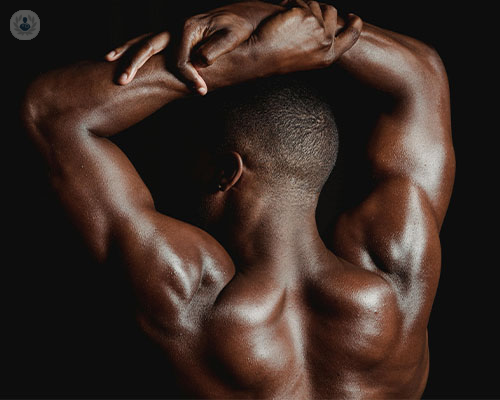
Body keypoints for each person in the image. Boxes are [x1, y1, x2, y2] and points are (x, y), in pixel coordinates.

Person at [21, 0, 455, 397]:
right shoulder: (398, 281)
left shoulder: (189, 299)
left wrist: (250, 57)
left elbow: (51, 112)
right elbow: (422, 74)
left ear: (226, 172)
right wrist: (270, 21)